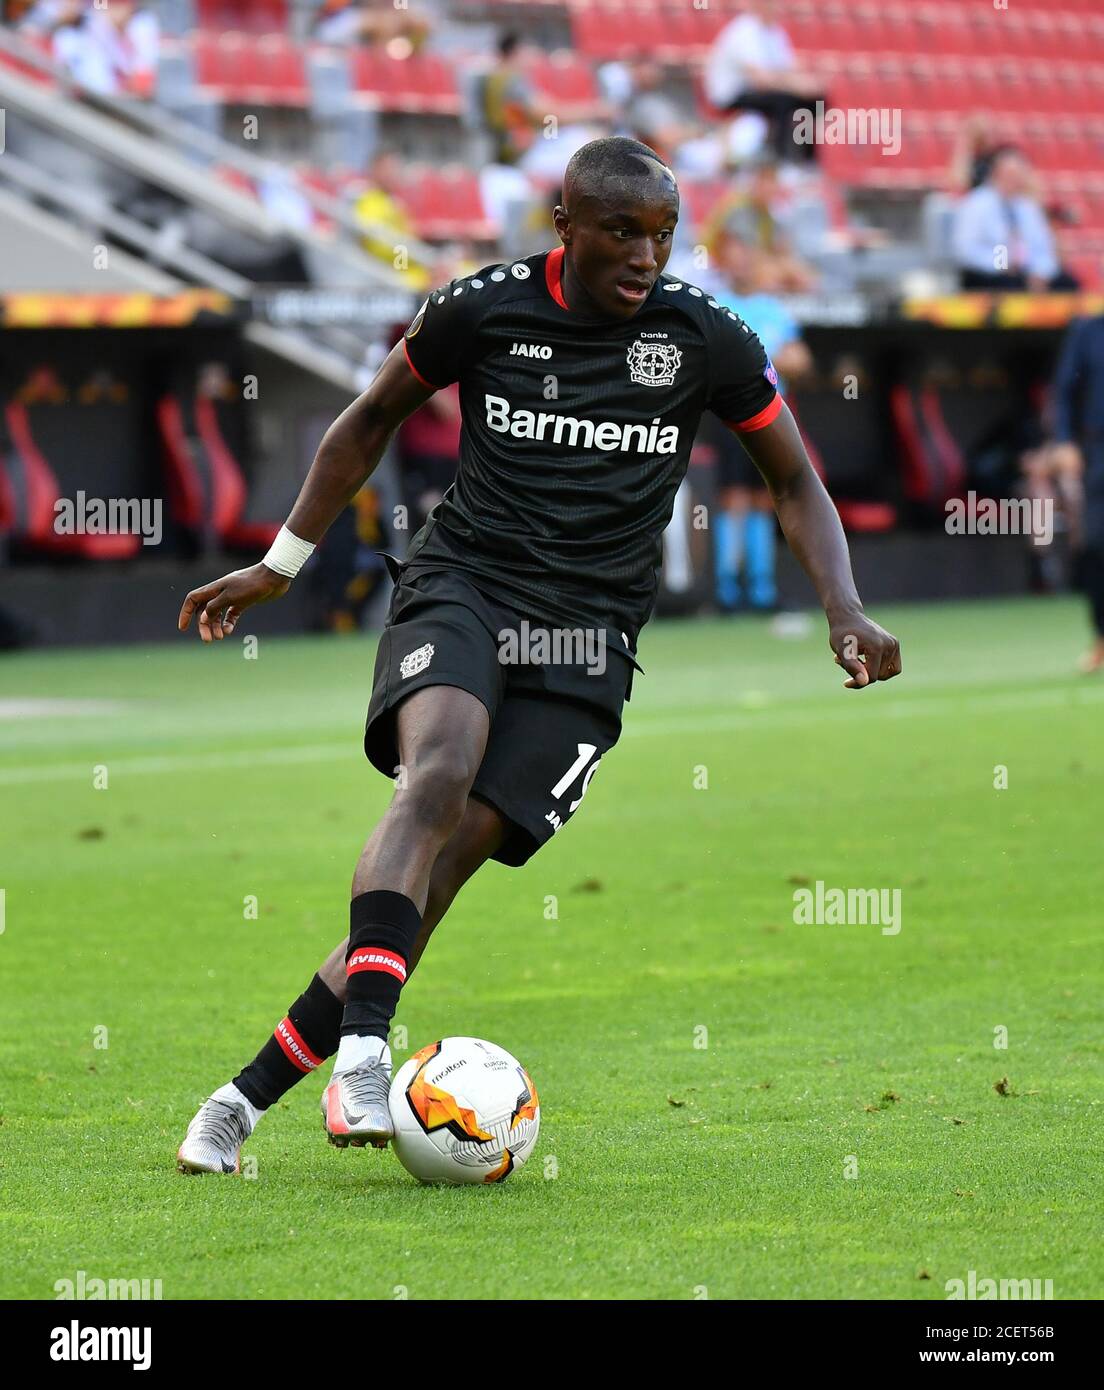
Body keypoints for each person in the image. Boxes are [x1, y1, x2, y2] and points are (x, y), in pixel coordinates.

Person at [174, 136, 901, 1174]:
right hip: (465, 582)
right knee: (437, 770)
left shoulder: (705, 338)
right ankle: (366, 1055)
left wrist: (846, 609)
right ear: (565, 226)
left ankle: (239, 1104)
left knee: (443, 868)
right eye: (620, 232)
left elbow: (793, 479)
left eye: (661, 234)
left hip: (590, 635)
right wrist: (282, 563)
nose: (644, 255)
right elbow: (367, 419)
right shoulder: (483, 309)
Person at [709, 241, 813, 611]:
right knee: (731, 498)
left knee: (764, 499)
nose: (741, 268)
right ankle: (725, 589)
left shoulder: (772, 308)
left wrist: (782, 358)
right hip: (729, 417)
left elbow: (799, 360)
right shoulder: (716, 305)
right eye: (733, 261)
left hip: (770, 418)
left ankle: (761, 590)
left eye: (746, 260)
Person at [1047, 312, 1104, 672]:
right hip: (1100, 451)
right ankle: (1102, 636)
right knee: (1096, 545)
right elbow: (1064, 390)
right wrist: (1064, 441)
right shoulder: (1088, 330)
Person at [703, 0, 821, 163]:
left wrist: (808, 86)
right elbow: (760, 79)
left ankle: (806, 161)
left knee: (814, 102)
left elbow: (787, 69)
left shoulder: (775, 32)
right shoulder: (743, 31)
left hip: (759, 90)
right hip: (732, 93)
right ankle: (782, 159)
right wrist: (797, 87)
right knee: (783, 102)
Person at [951, 147, 1069, 292]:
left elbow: (1043, 249)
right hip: (989, 275)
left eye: (1018, 174)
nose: (1014, 179)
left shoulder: (1027, 207)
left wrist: (1040, 273)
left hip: (1025, 273)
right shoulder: (976, 204)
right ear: (995, 173)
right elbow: (965, 250)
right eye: (1009, 174)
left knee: (1068, 284)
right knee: (1008, 284)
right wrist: (1002, 264)